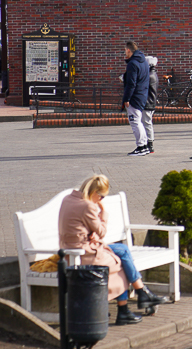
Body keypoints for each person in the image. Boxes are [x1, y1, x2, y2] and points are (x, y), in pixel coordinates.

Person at [59, 175, 167, 326]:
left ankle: (139, 296)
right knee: (120, 262)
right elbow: (102, 231)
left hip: (70, 249)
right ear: (94, 192)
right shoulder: (87, 206)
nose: (101, 200)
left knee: (122, 250)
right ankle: (132, 302)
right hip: (83, 253)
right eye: (101, 196)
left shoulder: (68, 199)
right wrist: (103, 214)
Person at [122, 41, 150, 156]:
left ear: (128, 50)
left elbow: (131, 83)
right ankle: (144, 146)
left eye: (125, 50)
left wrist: (127, 99)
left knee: (135, 122)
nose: (125, 53)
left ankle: (141, 147)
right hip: (142, 95)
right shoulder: (143, 61)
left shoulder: (132, 64)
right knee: (139, 122)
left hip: (134, 97)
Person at [142, 56, 158, 153]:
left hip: (148, 102)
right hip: (150, 102)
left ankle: (150, 144)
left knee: (147, 123)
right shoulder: (153, 74)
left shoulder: (149, 75)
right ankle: (148, 143)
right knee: (147, 123)